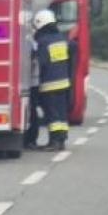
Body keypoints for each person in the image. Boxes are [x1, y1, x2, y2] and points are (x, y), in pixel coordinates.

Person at [31, 9, 72, 152]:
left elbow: (40, 63)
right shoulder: (62, 39)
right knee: (61, 114)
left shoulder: (43, 41)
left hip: (49, 85)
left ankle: (54, 142)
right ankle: (61, 140)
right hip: (64, 83)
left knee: (52, 115)